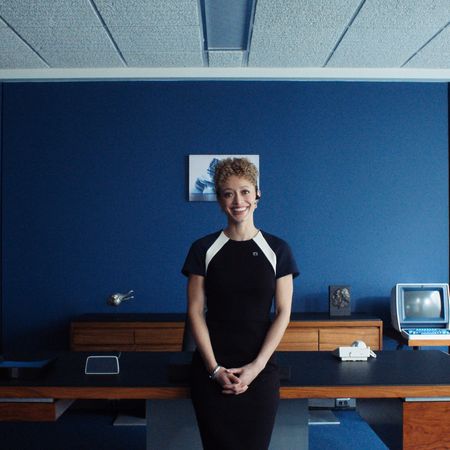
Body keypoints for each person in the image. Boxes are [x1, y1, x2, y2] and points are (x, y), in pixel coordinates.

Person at [182, 157, 299, 450]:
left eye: (245, 191)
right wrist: (214, 369)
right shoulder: (203, 249)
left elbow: (283, 313)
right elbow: (195, 312)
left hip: (260, 370)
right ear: (219, 200)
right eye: (228, 193)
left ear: (258, 194)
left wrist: (257, 367)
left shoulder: (278, 250)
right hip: (212, 371)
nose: (238, 201)